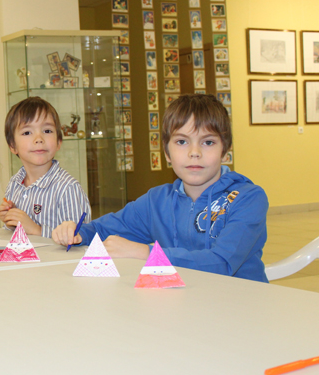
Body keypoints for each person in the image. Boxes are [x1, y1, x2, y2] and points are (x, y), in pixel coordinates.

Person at [52, 94, 268, 282]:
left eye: (208, 142)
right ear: (166, 153)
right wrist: (77, 232)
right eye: (182, 142)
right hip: (181, 301)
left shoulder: (248, 199)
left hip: (238, 305)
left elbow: (221, 263)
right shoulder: (157, 200)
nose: (194, 152)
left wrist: (146, 253)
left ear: (225, 150)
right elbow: (103, 230)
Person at [0, 97, 91, 238]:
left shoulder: (68, 189)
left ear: (59, 141)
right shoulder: (14, 184)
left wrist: (36, 230)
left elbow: (79, 239)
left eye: (47, 131)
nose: (39, 139)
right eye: (27, 132)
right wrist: (11, 222)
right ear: (12, 146)